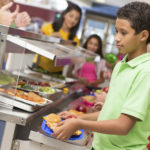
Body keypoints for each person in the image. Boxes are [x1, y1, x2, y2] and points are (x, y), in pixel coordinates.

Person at [53, 2, 150, 150]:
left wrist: (79, 124)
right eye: (116, 31)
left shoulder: (145, 72)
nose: (117, 38)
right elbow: (108, 114)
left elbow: (123, 126)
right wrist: (77, 117)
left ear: (143, 35)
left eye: (123, 33)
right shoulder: (121, 65)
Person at [32, 3, 82, 73]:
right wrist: (49, 38)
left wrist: (63, 53)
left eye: (76, 19)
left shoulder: (75, 39)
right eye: (71, 16)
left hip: (56, 72)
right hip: (39, 66)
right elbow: (35, 44)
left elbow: (71, 59)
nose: (73, 20)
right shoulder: (48, 28)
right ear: (64, 14)